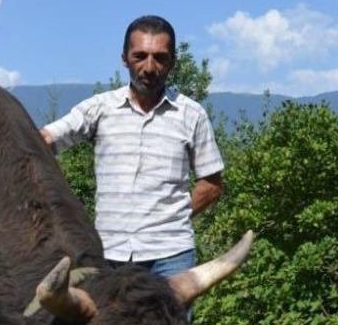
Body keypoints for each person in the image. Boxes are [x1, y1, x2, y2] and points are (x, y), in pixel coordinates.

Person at [40, 15, 224, 279]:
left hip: (171, 256)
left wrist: (175, 218)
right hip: (108, 252)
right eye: (140, 56)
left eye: (160, 57)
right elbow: (46, 140)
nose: (149, 67)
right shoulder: (99, 108)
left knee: (169, 321)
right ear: (124, 58)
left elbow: (212, 183)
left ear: (172, 61)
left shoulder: (192, 114)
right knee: (107, 321)